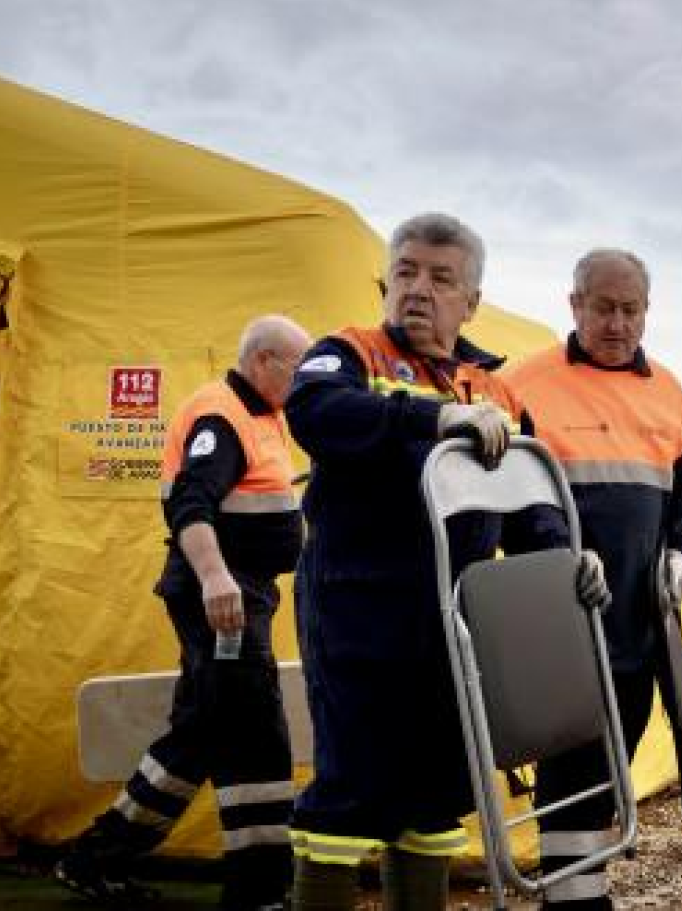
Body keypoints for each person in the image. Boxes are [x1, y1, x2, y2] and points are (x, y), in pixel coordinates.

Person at [284, 214, 605, 911]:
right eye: (406, 272)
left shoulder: (496, 389)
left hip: (455, 628)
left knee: (433, 802)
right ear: (384, 283)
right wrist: (431, 419)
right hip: (357, 618)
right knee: (347, 795)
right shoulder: (346, 356)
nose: (419, 289)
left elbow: (532, 514)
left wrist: (568, 568)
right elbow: (312, 412)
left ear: (471, 301)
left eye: (441, 277)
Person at [55, 314, 312, 911]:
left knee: (200, 731)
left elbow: (255, 496)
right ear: (263, 361)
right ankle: (259, 889)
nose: (305, 381)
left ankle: (95, 857)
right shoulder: (220, 415)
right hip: (221, 598)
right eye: (297, 367)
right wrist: (217, 577)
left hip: (239, 594)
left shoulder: (264, 416)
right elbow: (191, 504)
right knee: (257, 736)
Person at [505, 248, 682, 910]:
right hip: (561, 623)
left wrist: (681, 551)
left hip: (638, 630)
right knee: (572, 771)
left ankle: (582, 891)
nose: (618, 323)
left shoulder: (671, 391)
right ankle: (576, 902)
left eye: (631, 310)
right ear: (575, 305)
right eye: (604, 308)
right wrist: (560, 554)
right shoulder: (525, 384)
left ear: (647, 311)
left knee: (607, 769)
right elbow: (509, 499)